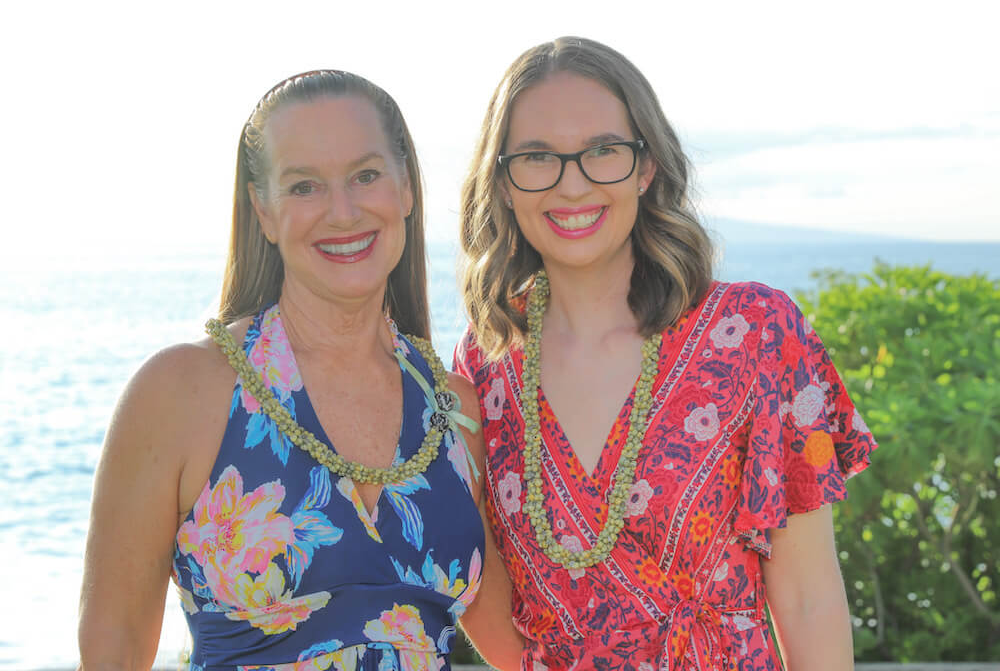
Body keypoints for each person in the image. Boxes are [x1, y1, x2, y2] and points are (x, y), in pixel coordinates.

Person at [453, 37, 878, 670]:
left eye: (602, 151)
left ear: (646, 167)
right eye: (538, 156)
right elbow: (480, 588)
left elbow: (810, 594)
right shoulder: (482, 366)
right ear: (504, 182)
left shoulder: (758, 333)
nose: (572, 185)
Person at [78, 70, 519, 670]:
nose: (342, 212)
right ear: (263, 211)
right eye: (305, 187)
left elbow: (521, 646)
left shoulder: (452, 406)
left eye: (365, 176)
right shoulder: (181, 393)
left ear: (406, 189)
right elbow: (112, 655)